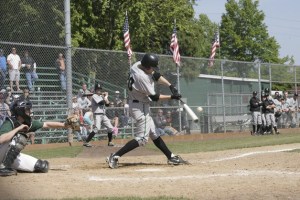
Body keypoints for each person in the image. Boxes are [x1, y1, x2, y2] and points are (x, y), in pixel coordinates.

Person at [106, 53, 188, 169]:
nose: (153, 70)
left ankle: (170, 156)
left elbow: (156, 75)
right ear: (147, 67)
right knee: (142, 139)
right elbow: (154, 97)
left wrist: (170, 86)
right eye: (152, 68)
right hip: (140, 108)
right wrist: (172, 97)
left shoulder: (137, 65)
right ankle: (114, 156)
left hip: (138, 104)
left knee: (154, 134)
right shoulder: (142, 78)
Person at [0, 100, 74, 176]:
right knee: (20, 138)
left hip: (8, 156)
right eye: (27, 109)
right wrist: (18, 129)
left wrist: (65, 125)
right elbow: (1, 139)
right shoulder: (10, 122)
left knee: (42, 166)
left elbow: (47, 124)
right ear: (20, 111)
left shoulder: (28, 123)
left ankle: (7, 165)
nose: (30, 111)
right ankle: (3, 168)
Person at [85, 82, 115, 147]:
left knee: (110, 128)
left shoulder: (101, 96)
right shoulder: (94, 96)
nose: (99, 91)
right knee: (96, 129)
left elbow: (107, 104)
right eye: (97, 89)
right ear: (95, 90)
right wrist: (105, 97)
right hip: (97, 115)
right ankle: (86, 142)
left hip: (103, 115)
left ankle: (110, 142)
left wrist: (106, 97)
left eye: (100, 89)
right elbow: (101, 103)